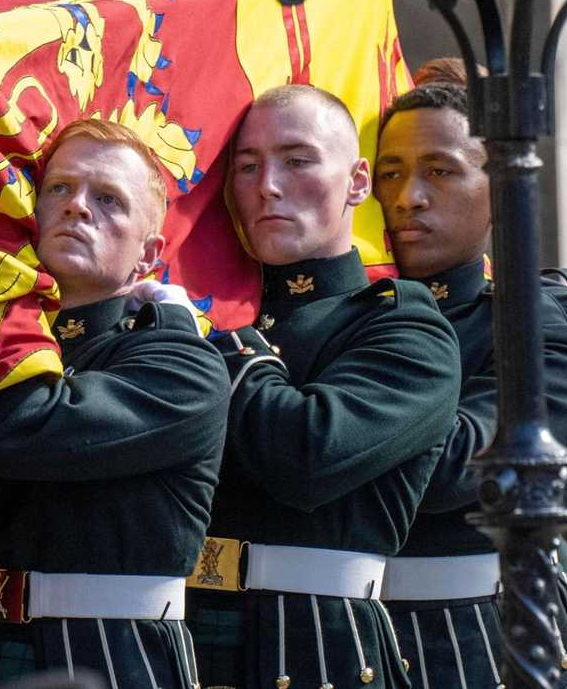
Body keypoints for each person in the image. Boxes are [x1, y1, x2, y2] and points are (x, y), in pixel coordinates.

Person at [0, 119, 229, 688]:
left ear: (148, 254)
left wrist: (3, 297)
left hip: (105, 653)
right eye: (59, 188)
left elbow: (18, 428)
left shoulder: (183, 364)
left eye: (108, 200)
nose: (78, 207)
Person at [187, 84, 461, 689]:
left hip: (314, 645)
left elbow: (309, 455)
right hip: (183, 637)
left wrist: (230, 353)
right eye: (247, 166)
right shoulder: (221, 316)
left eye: (298, 160)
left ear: (358, 182)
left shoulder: (402, 326)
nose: (268, 186)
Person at [373, 80, 567, 688]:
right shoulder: (354, 318)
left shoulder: (558, 317)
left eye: (441, 171)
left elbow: (462, 471)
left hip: (494, 638)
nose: (408, 198)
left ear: (503, 189)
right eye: (390, 172)